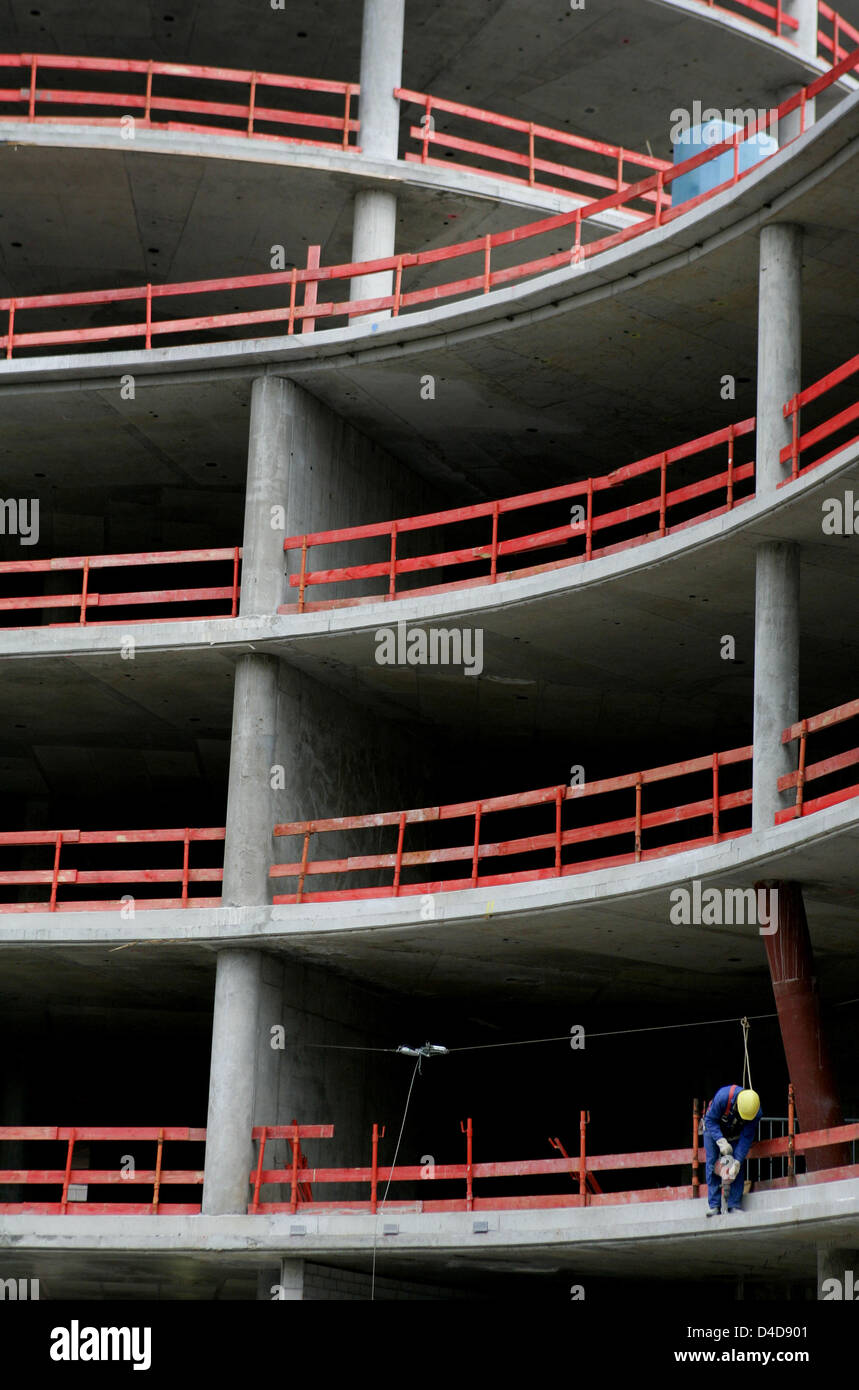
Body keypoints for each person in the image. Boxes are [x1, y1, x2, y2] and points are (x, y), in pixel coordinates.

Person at [703, 1085, 760, 1215]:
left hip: (735, 1131)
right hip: (713, 1128)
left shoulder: (755, 1111)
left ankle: (734, 1205)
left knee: (736, 1167)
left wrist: (738, 1161)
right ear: (737, 1106)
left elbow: (746, 1137)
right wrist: (721, 1141)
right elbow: (710, 1120)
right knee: (712, 1163)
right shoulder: (723, 1097)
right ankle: (714, 1205)